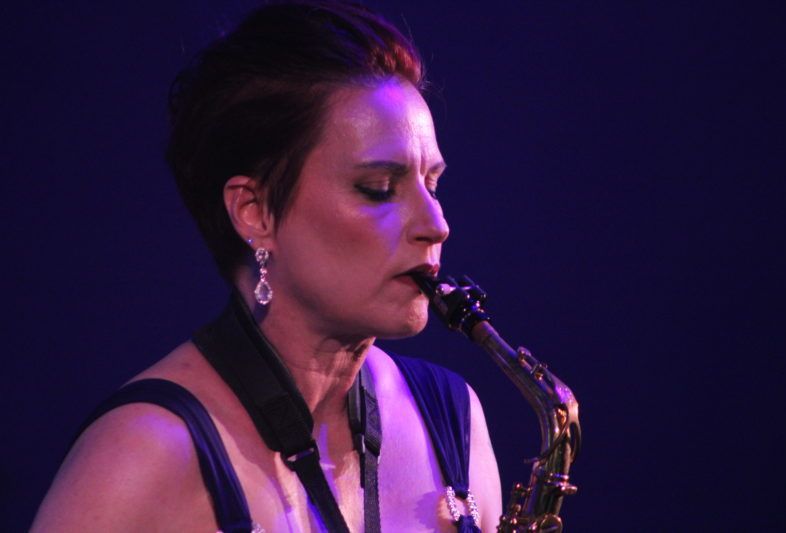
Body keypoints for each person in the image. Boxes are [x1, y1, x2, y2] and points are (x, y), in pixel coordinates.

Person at [32, 1, 502, 531]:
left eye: (432, 183)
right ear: (254, 211)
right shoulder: (140, 453)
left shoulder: (456, 420)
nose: (436, 224)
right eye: (378, 189)